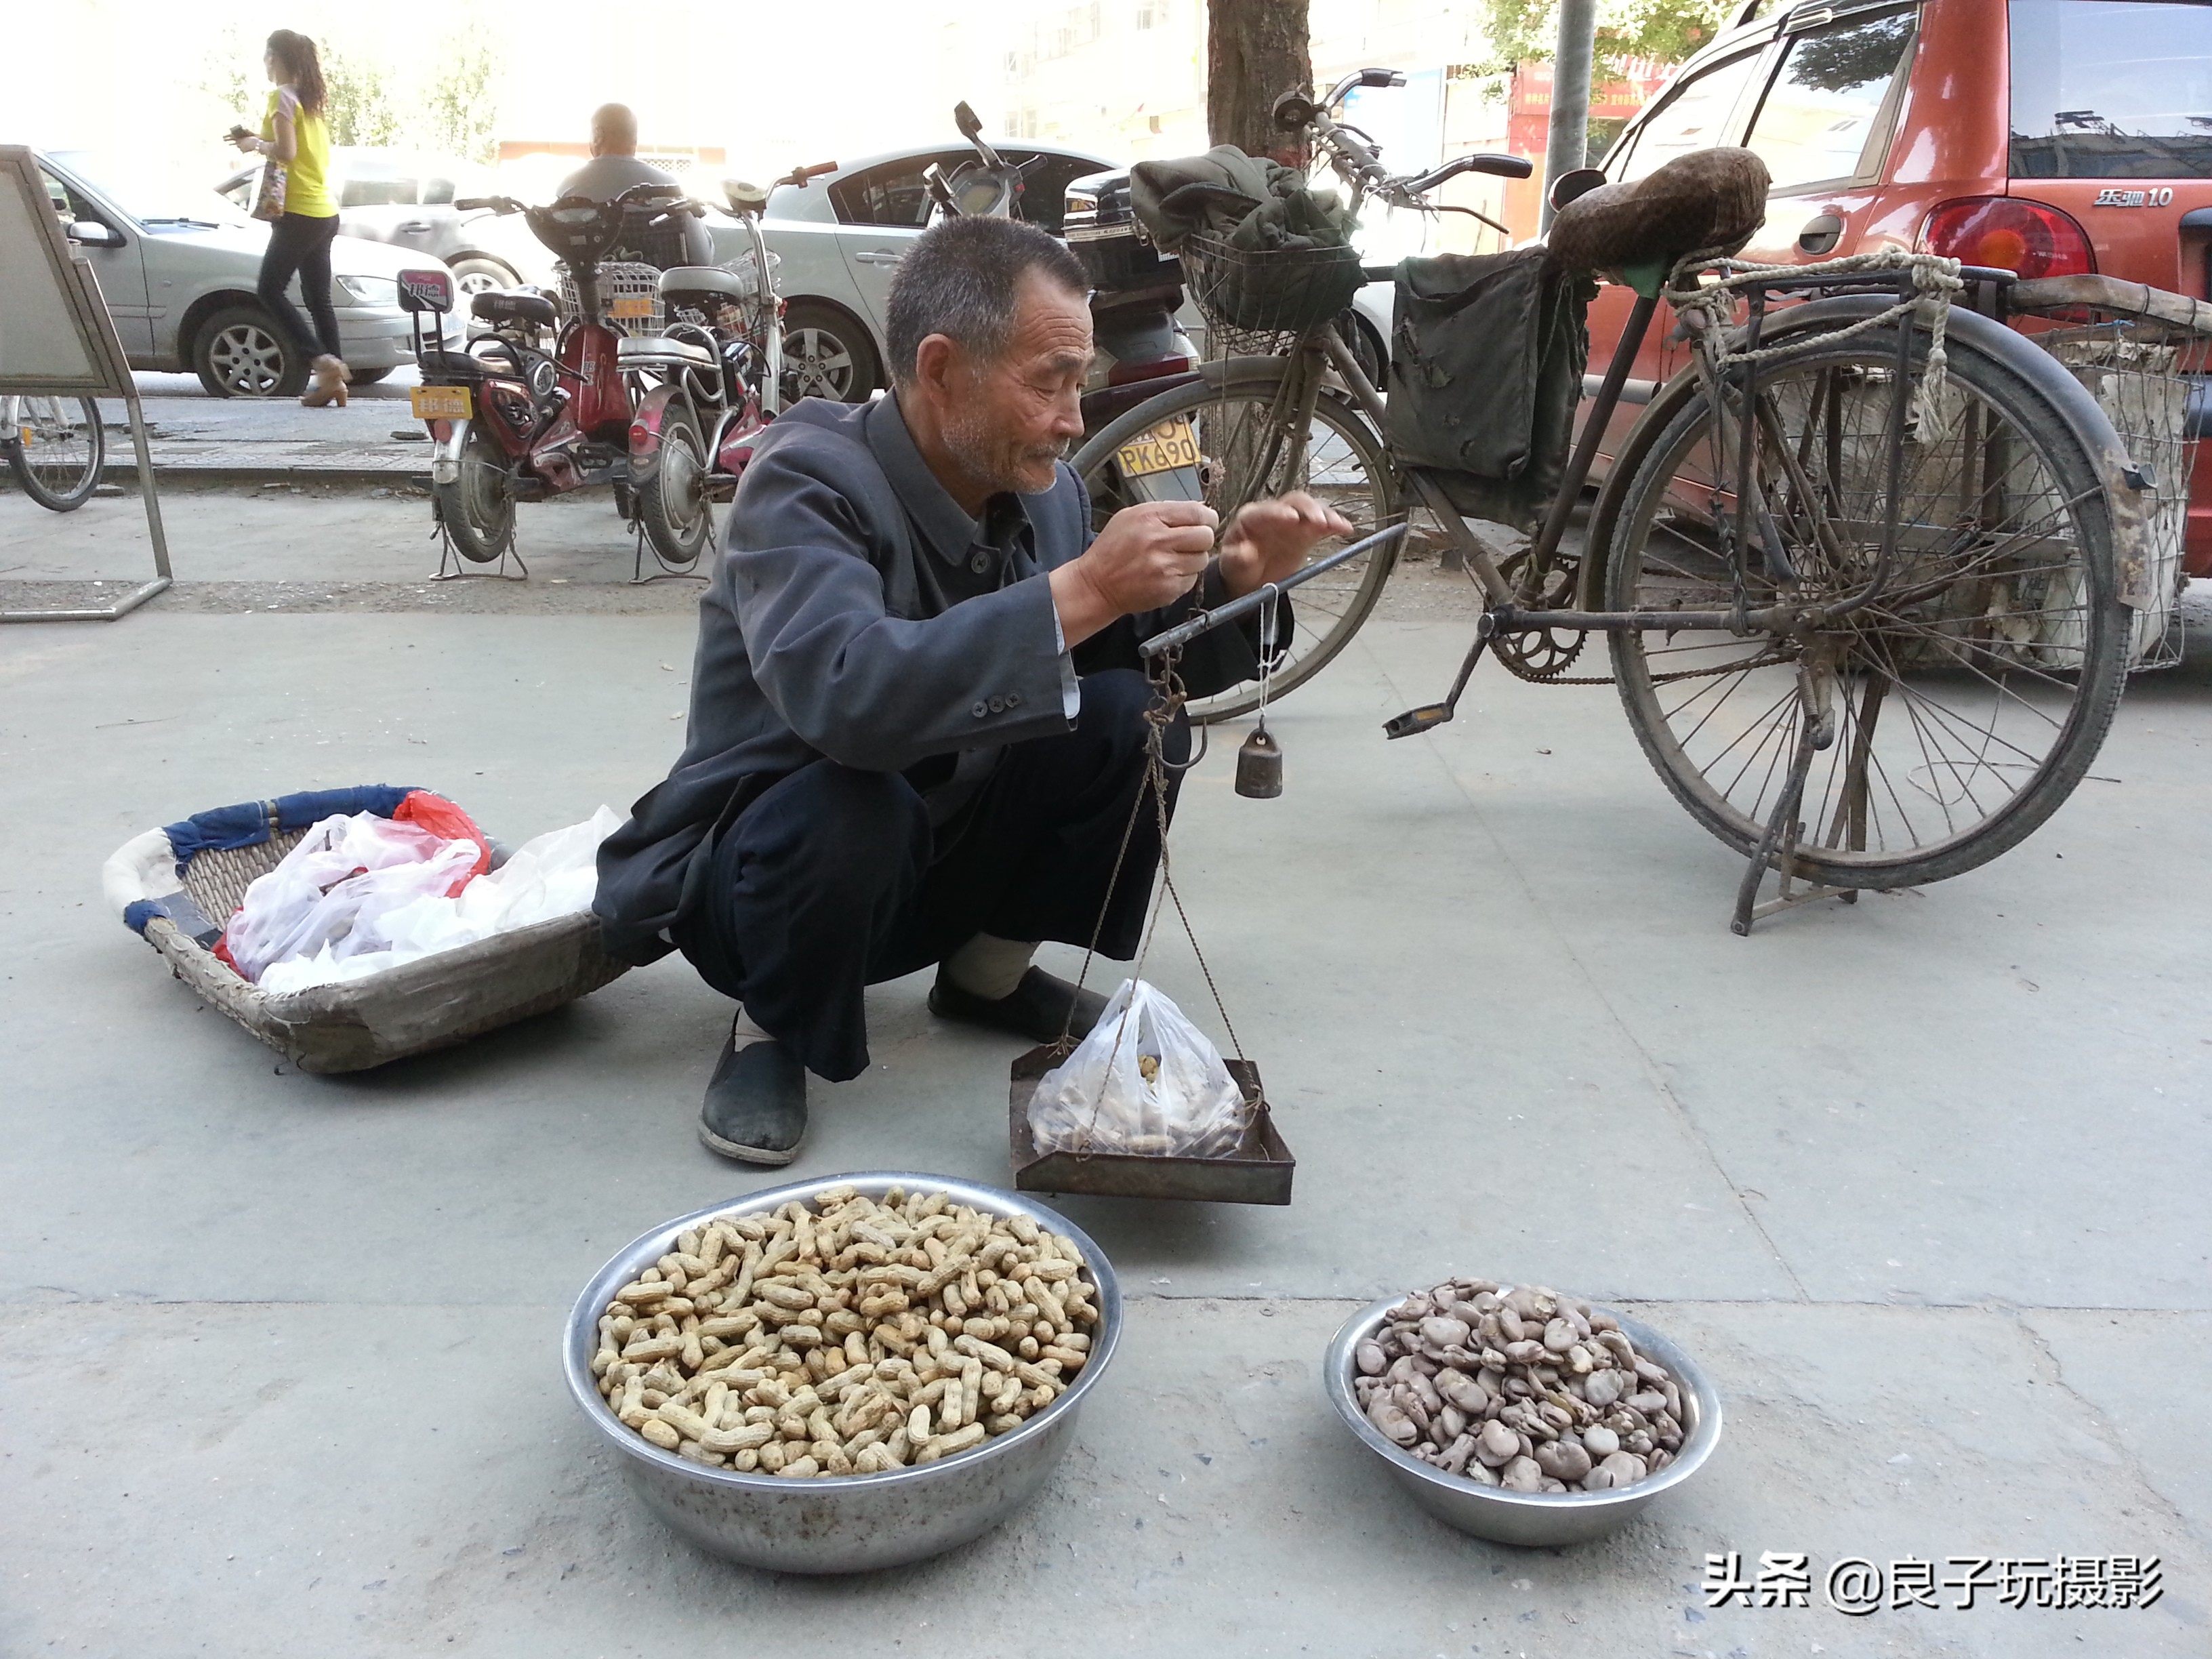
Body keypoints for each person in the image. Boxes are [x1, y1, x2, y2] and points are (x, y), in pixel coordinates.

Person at [594, 214, 1351, 1165]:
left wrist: (1236, 583)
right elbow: (847, 698)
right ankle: (773, 1028)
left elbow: (1123, 659)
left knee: (1128, 722)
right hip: (777, 879)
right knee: (849, 800)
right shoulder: (805, 482)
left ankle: (985, 976)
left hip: (941, 856)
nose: (1075, 419)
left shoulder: (1048, 492)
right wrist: (1083, 588)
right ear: (943, 368)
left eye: (1080, 383)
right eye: (1051, 383)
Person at [230, 30, 348, 407]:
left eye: (266, 56)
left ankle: (323, 362)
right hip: (325, 212)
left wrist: (254, 145)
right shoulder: (311, 101)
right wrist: (259, 139)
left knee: (269, 289)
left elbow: (286, 151)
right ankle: (335, 384)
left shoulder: (281, 96)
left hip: (298, 211)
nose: (264, 63)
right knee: (318, 299)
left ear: (275, 58)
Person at [556, 103, 712, 267]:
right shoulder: (669, 188)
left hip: (593, 289)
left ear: (598, 134)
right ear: (634, 139)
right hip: (656, 288)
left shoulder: (570, 188)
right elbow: (703, 258)